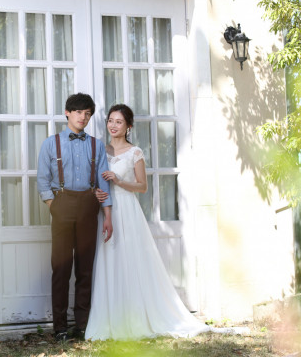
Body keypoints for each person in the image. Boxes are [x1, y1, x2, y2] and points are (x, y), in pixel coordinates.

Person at [85, 103, 210, 341]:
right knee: (109, 259)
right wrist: (97, 193)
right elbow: (95, 182)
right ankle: (111, 317)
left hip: (127, 211)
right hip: (107, 211)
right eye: (110, 120)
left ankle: (137, 317)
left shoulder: (135, 152)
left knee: (130, 261)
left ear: (128, 126)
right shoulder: (101, 150)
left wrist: (119, 180)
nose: (113, 125)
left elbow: (142, 187)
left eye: (119, 122)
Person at [37, 93, 113, 342]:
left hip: (88, 205)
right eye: (79, 112)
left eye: (88, 114)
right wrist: (53, 205)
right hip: (62, 204)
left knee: (85, 268)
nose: (83, 117)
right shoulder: (51, 143)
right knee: (60, 268)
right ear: (68, 112)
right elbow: (42, 180)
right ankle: (59, 327)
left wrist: (107, 214)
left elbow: (103, 181)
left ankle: (82, 325)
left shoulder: (96, 145)